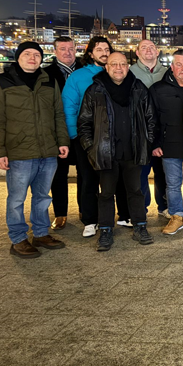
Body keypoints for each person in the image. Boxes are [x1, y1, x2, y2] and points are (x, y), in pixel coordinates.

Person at [0, 41, 70, 258]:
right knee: (16, 199)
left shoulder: (49, 82)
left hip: (48, 150)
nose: (32, 58)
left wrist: (62, 141)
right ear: (18, 56)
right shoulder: (0, 82)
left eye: (36, 54)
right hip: (18, 151)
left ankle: (41, 233)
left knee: (43, 196)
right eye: (27, 54)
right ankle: (18, 239)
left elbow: (58, 114)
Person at [77, 52, 156, 251]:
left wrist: (147, 143)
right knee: (105, 194)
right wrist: (91, 147)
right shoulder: (94, 90)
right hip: (105, 153)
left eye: (122, 64)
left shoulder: (138, 88)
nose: (118, 68)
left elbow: (151, 119)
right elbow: (84, 123)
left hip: (134, 152)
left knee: (136, 192)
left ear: (128, 67)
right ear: (106, 67)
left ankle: (140, 226)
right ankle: (105, 230)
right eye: (114, 64)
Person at [63, 36, 130, 237]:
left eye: (106, 48)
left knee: (118, 178)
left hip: (115, 137)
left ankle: (124, 215)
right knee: (88, 179)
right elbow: (69, 106)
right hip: (88, 137)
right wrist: (75, 135)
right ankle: (90, 220)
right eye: (98, 49)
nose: (104, 52)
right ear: (90, 53)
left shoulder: (119, 73)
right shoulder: (78, 76)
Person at [150, 49, 183, 235]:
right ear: (172, 67)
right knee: (172, 184)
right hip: (168, 145)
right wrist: (155, 143)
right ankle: (175, 216)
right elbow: (151, 119)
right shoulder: (158, 89)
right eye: (179, 64)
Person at [44, 35, 83, 230]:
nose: (67, 52)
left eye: (70, 48)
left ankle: (86, 210)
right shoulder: (46, 74)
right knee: (59, 174)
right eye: (63, 49)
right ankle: (60, 214)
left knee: (86, 173)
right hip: (57, 131)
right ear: (55, 51)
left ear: (75, 49)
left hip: (83, 130)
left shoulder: (86, 70)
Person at [129, 39, 168, 218]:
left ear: (157, 51)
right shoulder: (129, 73)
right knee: (140, 174)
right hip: (139, 131)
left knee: (163, 173)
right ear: (137, 53)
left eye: (151, 47)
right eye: (143, 47)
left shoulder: (167, 73)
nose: (148, 50)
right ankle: (141, 209)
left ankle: (164, 206)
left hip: (164, 132)